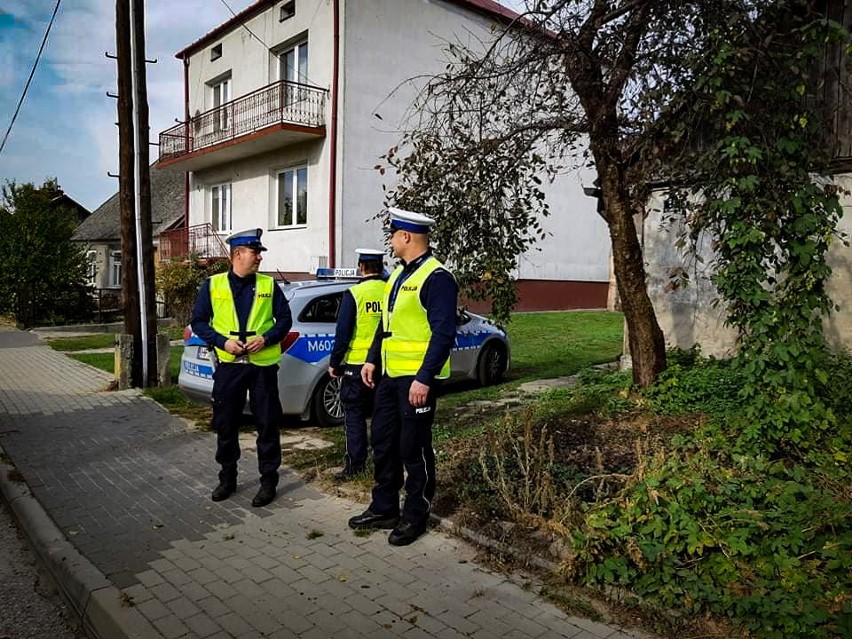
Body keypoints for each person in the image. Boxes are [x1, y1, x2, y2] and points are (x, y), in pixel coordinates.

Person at [348, 208, 458, 546]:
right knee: (383, 442)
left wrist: (425, 377)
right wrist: (370, 361)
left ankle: (415, 515)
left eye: (394, 235)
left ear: (406, 237)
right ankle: (385, 508)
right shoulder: (396, 276)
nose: (391, 241)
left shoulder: (437, 278)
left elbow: (443, 333)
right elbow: (386, 325)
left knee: (414, 448)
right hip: (389, 377)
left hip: (416, 380)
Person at [190, 228, 292, 508]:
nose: (259, 257)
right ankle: (227, 478)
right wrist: (223, 341)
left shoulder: (269, 286)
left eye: (259, 252)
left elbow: (285, 320)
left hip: (262, 367)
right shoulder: (212, 285)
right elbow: (198, 322)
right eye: (255, 252)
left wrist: (267, 338)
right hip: (230, 366)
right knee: (225, 425)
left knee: (267, 425)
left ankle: (268, 481)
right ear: (237, 254)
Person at [328, 248, 387, 482]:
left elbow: (343, 333)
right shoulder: (390, 291)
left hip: (357, 365)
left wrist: (334, 363)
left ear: (361, 267)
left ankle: (356, 465)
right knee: (384, 416)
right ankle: (385, 463)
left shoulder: (354, 293)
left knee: (354, 416)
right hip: (385, 364)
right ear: (381, 267)